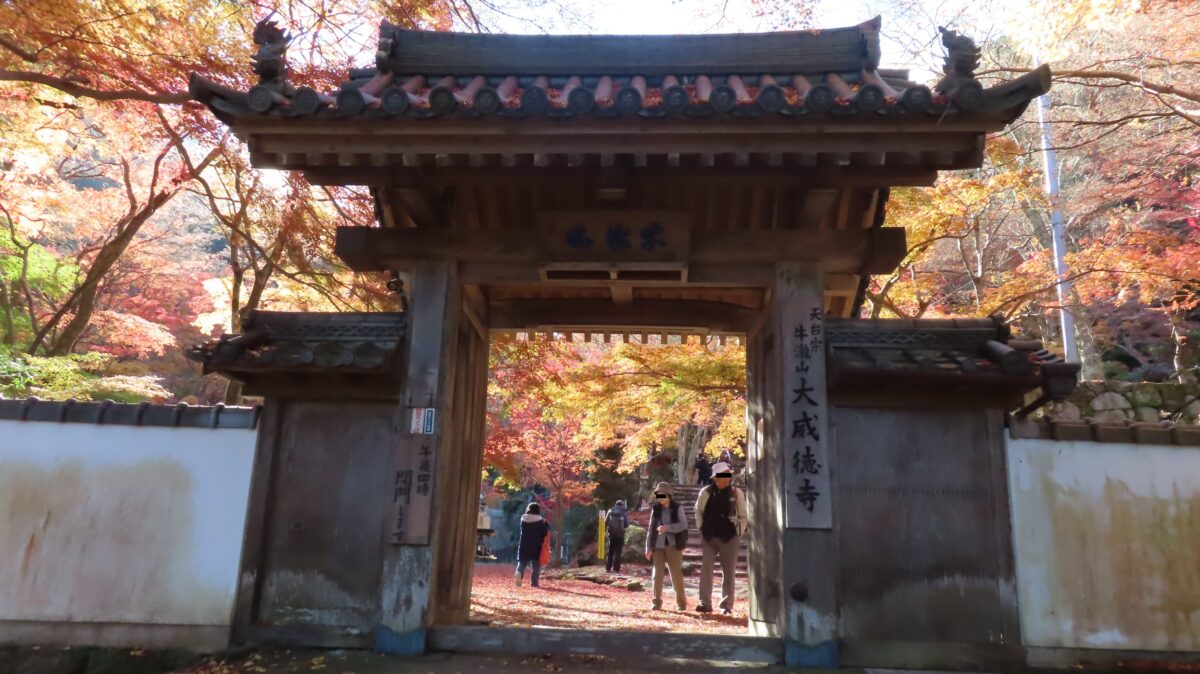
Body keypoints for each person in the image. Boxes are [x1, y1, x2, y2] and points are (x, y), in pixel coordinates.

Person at [694, 462, 747, 615]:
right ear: (715, 478)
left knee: (729, 572)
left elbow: (743, 515)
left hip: (730, 536)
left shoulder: (737, 493)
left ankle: (726, 605)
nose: (724, 479)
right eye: (721, 476)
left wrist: (739, 533)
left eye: (726, 475)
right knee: (706, 570)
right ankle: (704, 602)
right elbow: (698, 511)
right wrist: (700, 529)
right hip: (709, 535)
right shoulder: (706, 492)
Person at [645, 481, 689, 611]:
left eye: (662, 495)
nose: (660, 497)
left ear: (668, 495)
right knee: (657, 574)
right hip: (658, 546)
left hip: (673, 545)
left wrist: (667, 528)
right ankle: (656, 602)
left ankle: (681, 603)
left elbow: (683, 525)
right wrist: (648, 548)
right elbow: (651, 529)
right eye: (658, 495)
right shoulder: (655, 509)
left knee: (676, 574)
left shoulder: (677, 508)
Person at [515, 502, 550, 588]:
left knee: (522, 563)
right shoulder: (541, 521)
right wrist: (546, 525)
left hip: (524, 544)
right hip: (537, 545)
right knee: (536, 565)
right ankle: (534, 583)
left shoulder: (523, 520)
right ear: (538, 510)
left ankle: (519, 575)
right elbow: (545, 533)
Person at [604, 499, 629, 573]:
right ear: (622, 505)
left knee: (610, 551)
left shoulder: (610, 511)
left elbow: (606, 522)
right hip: (620, 535)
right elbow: (626, 524)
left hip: (611, 534)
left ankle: (608, 568)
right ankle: (616, 569)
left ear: (616, 504)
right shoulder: (624, 512)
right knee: (618, 552)